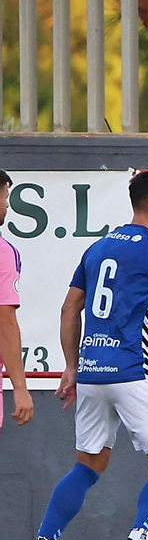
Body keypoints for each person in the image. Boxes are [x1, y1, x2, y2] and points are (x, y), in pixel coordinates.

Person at [16, 171, 148, 540]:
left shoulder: (98, 248)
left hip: (93, 374)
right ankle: (140, 538)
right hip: (135, 371)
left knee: (86, 466)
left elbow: (70, 309)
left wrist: (71, 366)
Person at [0, 169, 35, 437]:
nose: (8, 206)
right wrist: (21, 388)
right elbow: (5, 321)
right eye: (6, 197)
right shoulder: (3, 252)